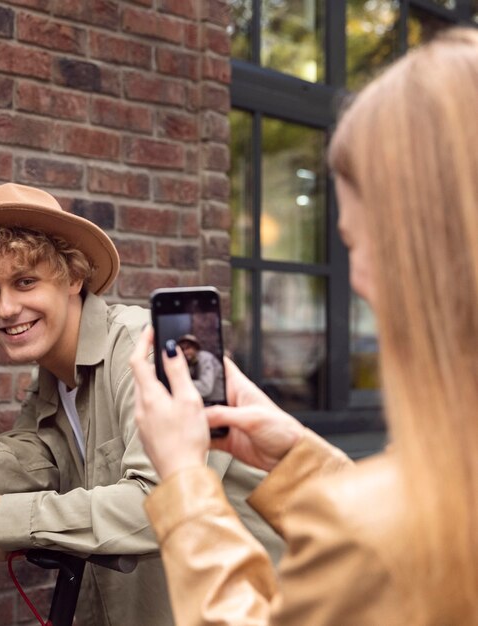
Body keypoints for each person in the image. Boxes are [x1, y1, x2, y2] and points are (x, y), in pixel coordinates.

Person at [130, 27, 478, 625]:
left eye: (352, 242)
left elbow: (380, 543)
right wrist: (300, 458)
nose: (359, 279)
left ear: (414, 250)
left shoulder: (370, 532)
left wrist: (186, 480)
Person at [0, 182, 284, 626]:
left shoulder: (152, 353)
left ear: (73, 277)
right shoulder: (53, 386)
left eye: (25, 281)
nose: (6, 308)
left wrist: (16, 517)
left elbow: (165, 506)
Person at [176, 334, 225, 403]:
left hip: (218, 402)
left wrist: (181, 383)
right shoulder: (190, 363)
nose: (185, 352)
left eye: (188, 348)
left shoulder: (205, 359)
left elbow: (205, 388)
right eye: (182, 349)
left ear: (195, 348)